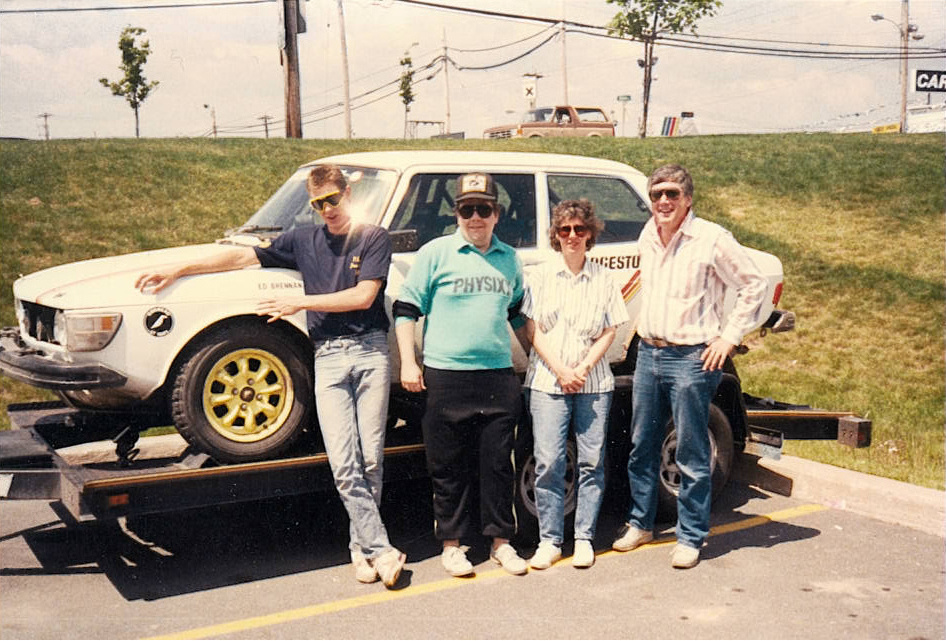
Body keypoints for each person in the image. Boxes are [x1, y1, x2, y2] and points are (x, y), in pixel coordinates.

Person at [135, 164, 406, 588]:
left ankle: (362, 549)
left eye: (333, 200)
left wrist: (302, 301)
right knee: (343, 463)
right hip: (329, 359)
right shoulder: (302, 240)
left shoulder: (372, 237)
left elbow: (364, 295)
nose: (328, 210)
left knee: (370, 460)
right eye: (318, 204)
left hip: (371, 352)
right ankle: (383, 550)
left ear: (348, 194)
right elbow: (242, 255)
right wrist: (180, 271)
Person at [612, 164, 767, 569]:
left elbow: (754, 284)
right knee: (642, 444)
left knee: (692, 451)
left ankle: (691, 536)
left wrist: (728, 338)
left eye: (672, 194)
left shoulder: (711, 238)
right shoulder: (650, 233)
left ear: (688, 199)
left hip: (691, 359)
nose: (664, 201)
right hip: (648, 353)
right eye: (657, 193)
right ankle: (641, 523)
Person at [393, 172, 529, 577]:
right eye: (467, 209)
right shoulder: (436, 253)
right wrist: (408, 362)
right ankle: (452, 546)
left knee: (498, 465)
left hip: (496, 376)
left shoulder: (508, 258)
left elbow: (518, 314)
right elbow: (405, 309)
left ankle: (501, 543)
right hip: (445, 376)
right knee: (448, 466)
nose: (475, 217)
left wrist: (543, 358)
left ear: (496, 214)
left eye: (483, 209)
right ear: (457, 213)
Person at [522, 199, 629, 571]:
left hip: (593, 383)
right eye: (564, 230)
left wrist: (581, 367)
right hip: (548, 382)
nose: (571, 236)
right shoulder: (539, 276)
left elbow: (611, 329)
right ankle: (550, 540)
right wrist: (560, 370)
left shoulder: (603, 279)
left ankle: (583, 538)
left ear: (590, 235)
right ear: (555, 235)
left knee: (591, 462)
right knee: (548, 461)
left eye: (579, 230)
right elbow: (531, 329)